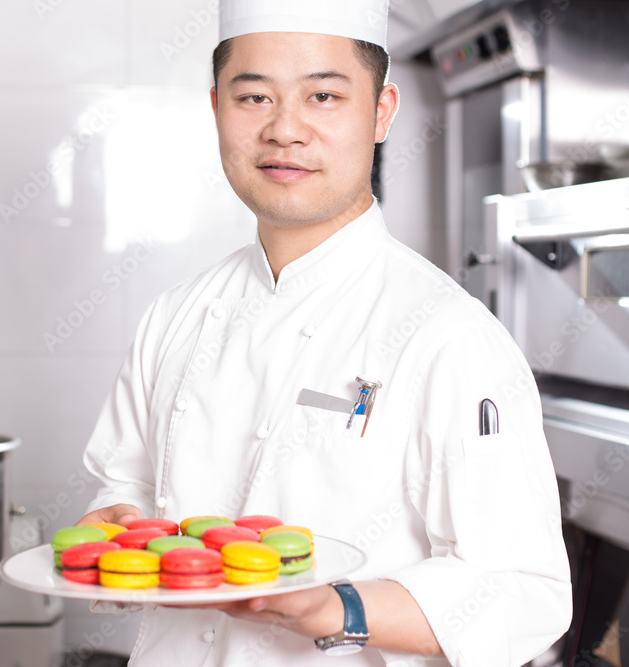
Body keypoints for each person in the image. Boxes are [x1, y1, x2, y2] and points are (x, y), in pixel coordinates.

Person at [76, 1, 572, 664]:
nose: (285, 129)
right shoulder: (176, 315)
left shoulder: (450, 336)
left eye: (324, 95)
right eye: (253, 96)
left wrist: (336, 605)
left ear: (382, 112)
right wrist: (113, 526)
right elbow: (126, 490)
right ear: (216, 107)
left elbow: (522, 587)